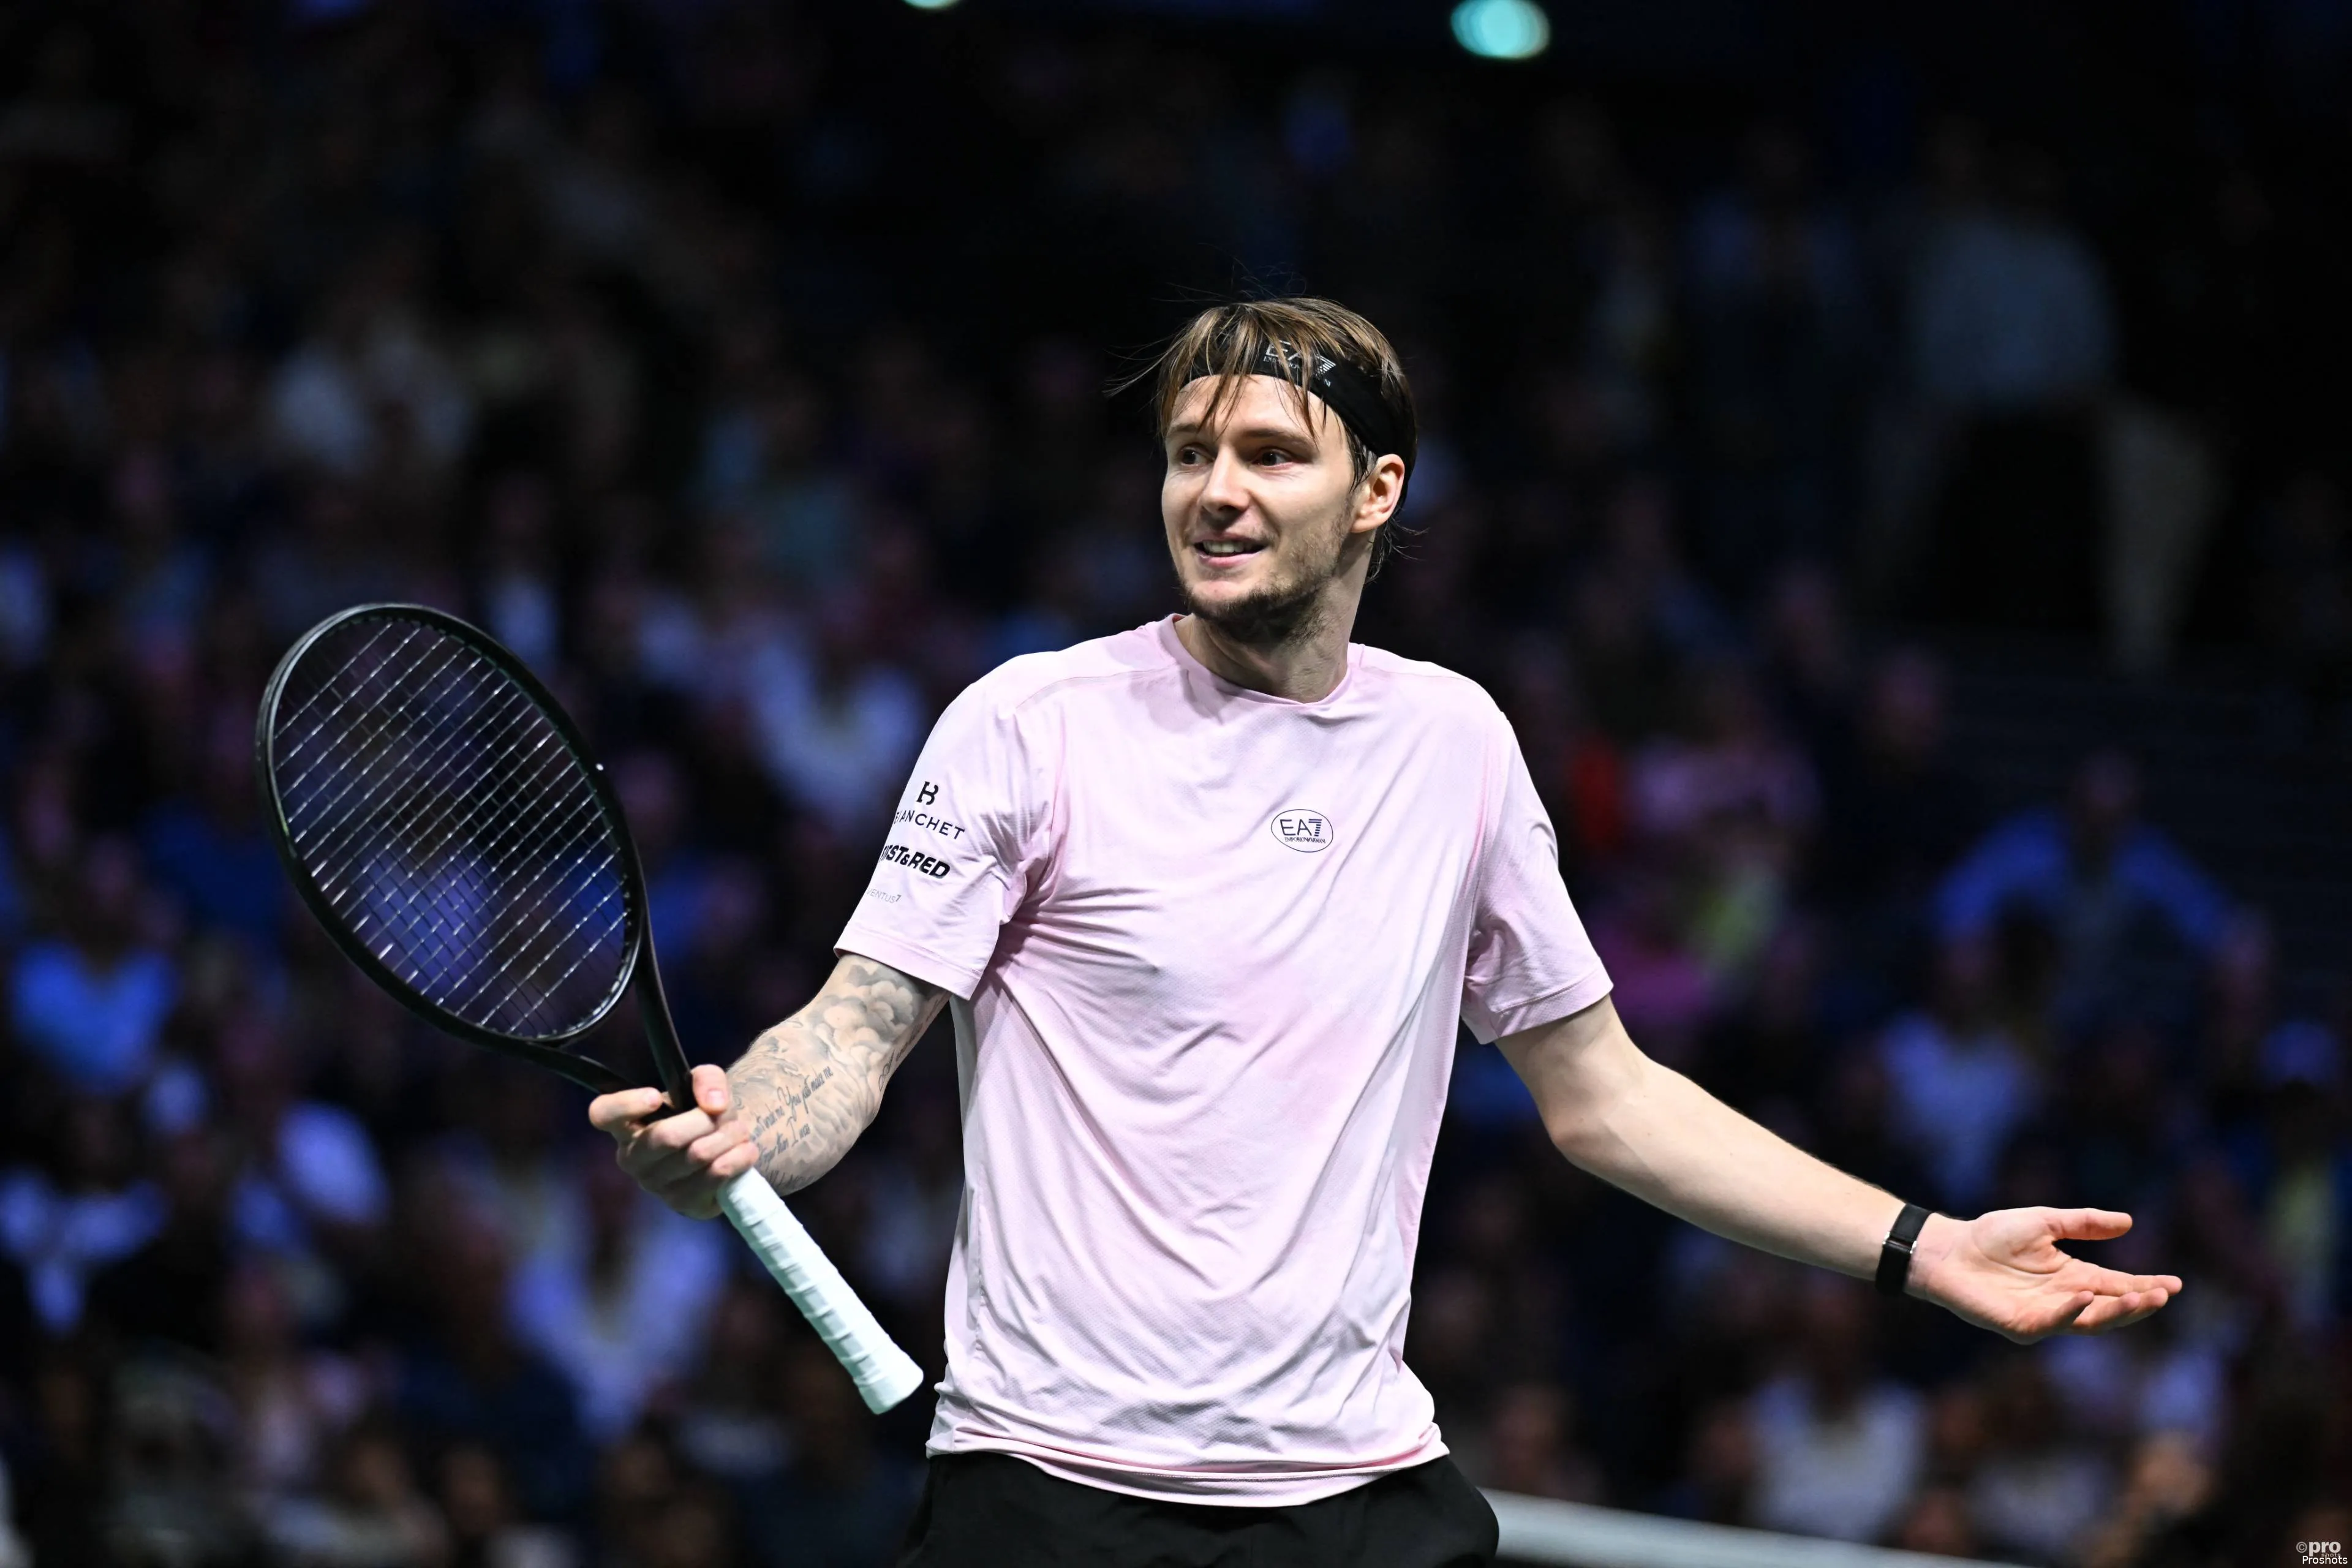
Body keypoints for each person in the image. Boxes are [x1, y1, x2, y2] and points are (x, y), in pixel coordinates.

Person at [590, 298, 2181, 1567]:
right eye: (1189, 453)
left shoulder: (1455, 747)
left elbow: (1609, 1100)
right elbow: (858, 1027)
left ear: (1377, 490)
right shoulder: (1032, 723)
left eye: (1269, 453)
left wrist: (1923, 1245)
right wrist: (748, 1127)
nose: (1215, 490)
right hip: (1051, 1493)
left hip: (1355, 1495)